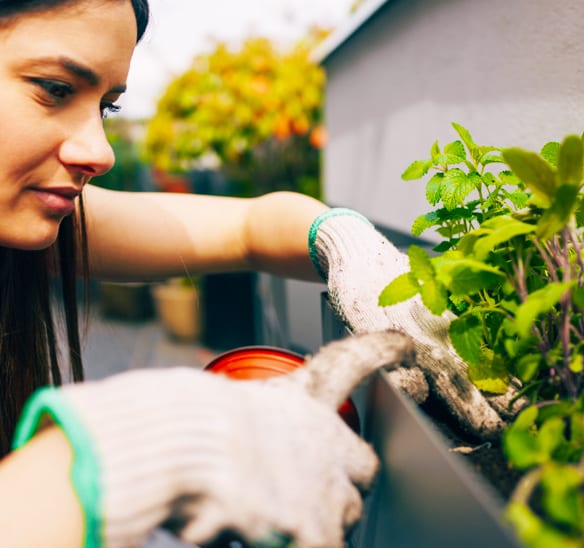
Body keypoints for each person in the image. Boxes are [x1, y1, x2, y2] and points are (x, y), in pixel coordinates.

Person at [0, 1, 512, 546]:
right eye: (54, 89)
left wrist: (344, 243)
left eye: (106, 108)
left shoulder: (37, 219)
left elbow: (249, 226)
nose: (98, 152)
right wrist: (140, 446)